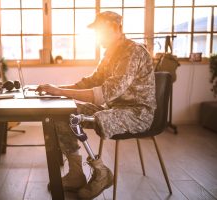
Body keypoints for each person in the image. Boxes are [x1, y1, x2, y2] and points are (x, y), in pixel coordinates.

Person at [36, 11, 157, 199]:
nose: (97, 35)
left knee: (100, 116)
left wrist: (60, 92)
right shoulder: (110, 52)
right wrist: (55, 89)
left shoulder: (133, 52)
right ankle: (76, 174)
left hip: (138, 113)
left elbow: (105, 93)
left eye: (100, 30)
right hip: (113, 109)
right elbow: (91, 81)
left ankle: (102, 173)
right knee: (63, 112)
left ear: (115, 28)